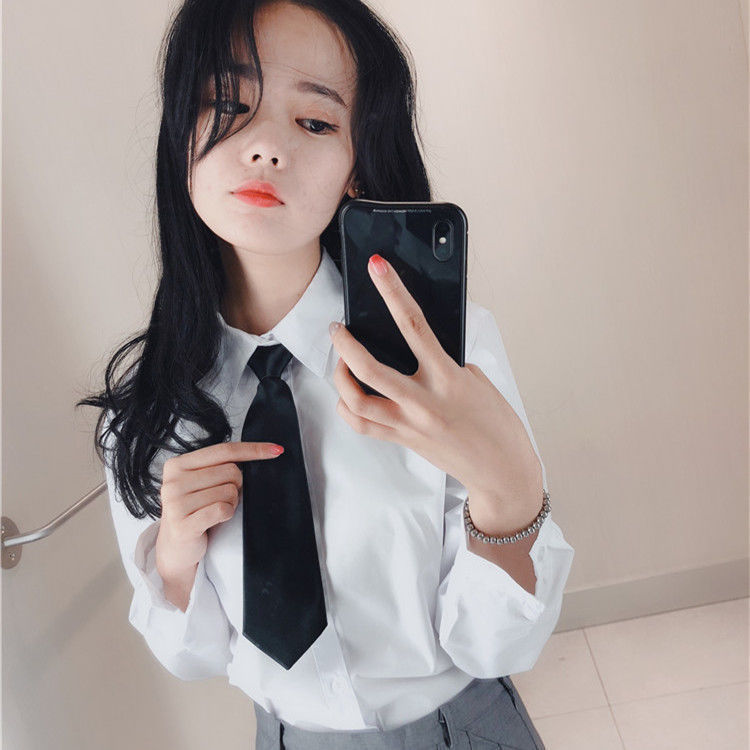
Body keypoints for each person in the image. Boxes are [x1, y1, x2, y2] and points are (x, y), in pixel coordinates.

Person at [77, 0, 575, 748]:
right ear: (181, 135)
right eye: (227, 106)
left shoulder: (444, 351)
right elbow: (194, 657)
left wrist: (511, 492)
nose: (266, 148)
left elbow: (499, 647)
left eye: (314, 122)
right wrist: (174, 560)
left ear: (355, 165)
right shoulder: (147, 406)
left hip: (460, 728)